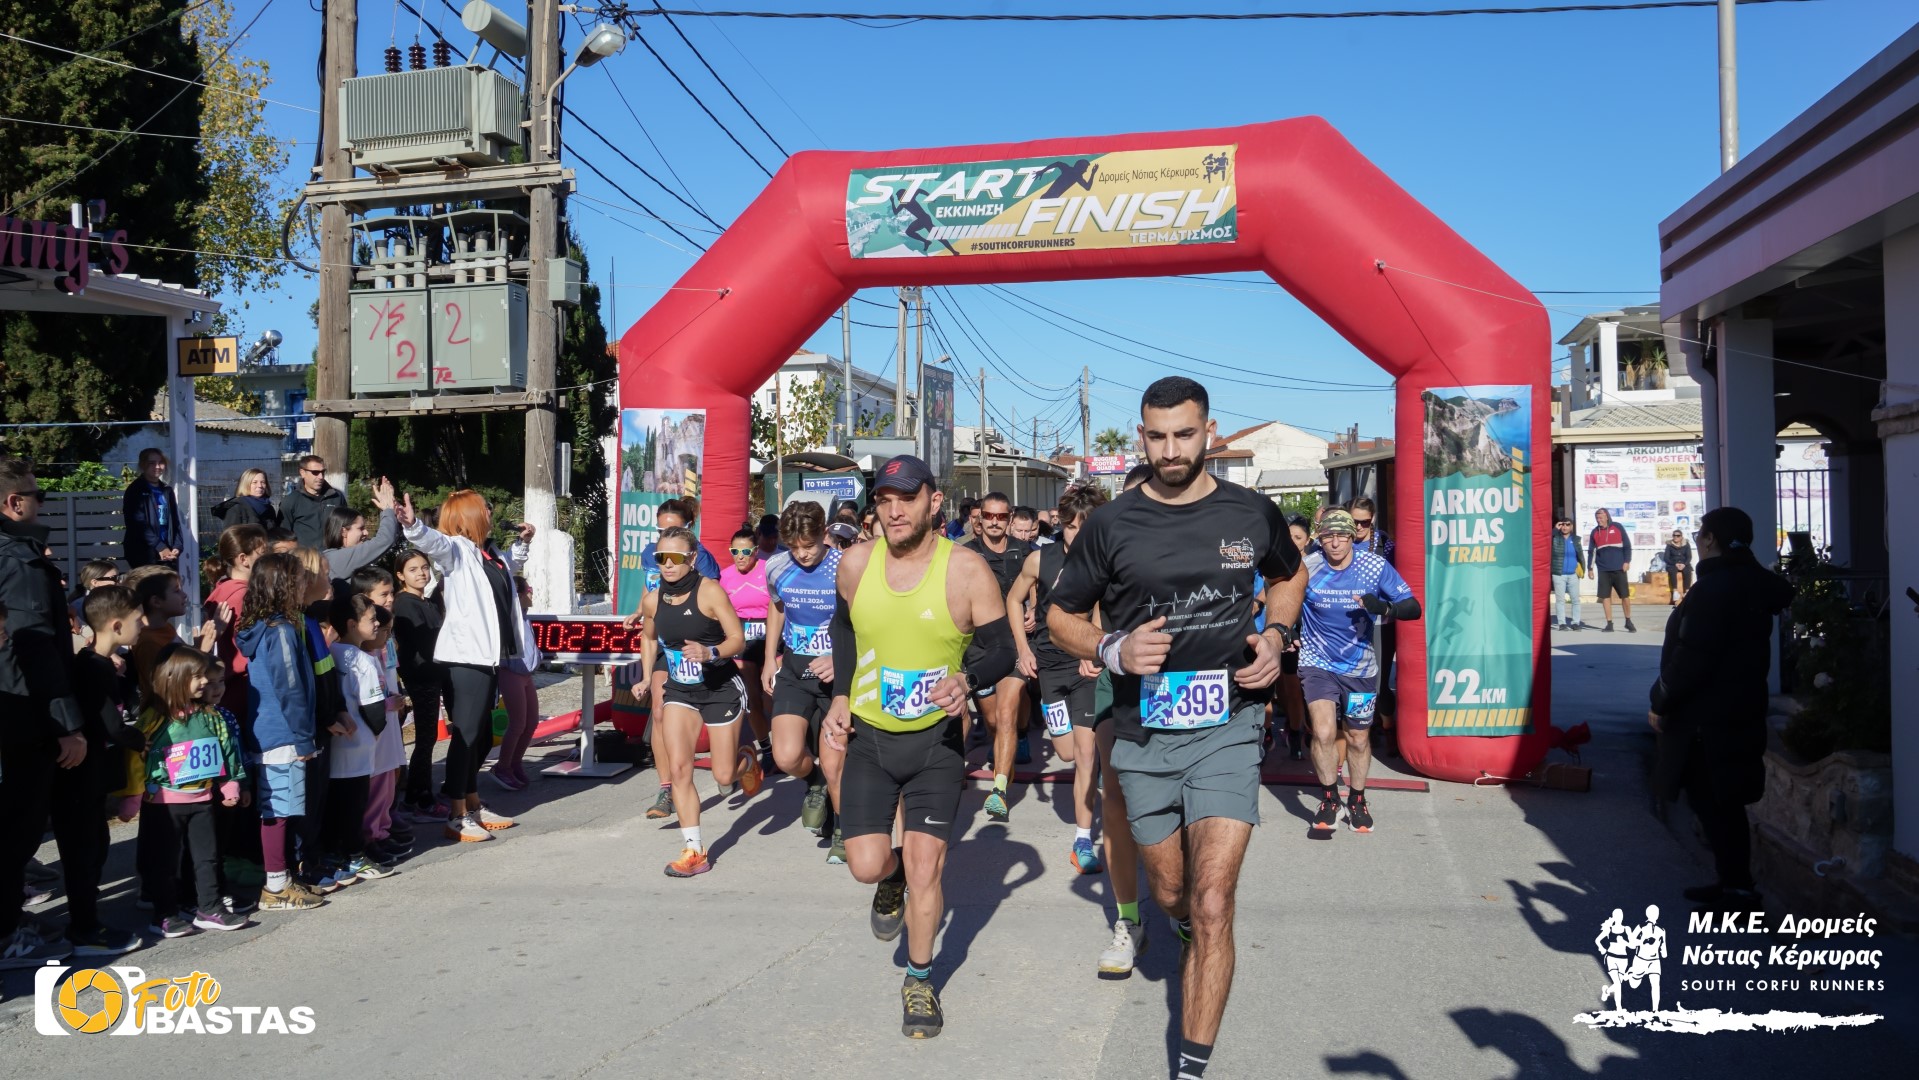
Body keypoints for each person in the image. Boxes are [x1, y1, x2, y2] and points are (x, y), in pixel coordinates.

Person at [1047, 377, 1305, 1079]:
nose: (1170, 451)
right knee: (1173, 894)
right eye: (1157, 437)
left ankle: (1190, 1067)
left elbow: (1289, 576)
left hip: (1228, 725)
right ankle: (1177, 920)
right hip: (1142, 733)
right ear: (1141, 436)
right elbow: (1060, 615)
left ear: (1209, 432)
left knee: (1214, 901)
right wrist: (1112, 648)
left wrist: (1276, 635)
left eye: (1184, 435)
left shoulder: (1250, 512)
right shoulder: (1111, 524)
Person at [821, 454, 1015, 1039]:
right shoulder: (856, 563)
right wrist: (841, 694)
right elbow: (844, 628)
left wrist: (966, 680)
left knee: (928, 869)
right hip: (870, 739)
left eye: (907, 498)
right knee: (866, 865)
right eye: (884, 500)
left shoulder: (966, 570)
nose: (895, 510)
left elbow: (1002, 650)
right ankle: (891, 876)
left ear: (934, 501)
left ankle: (920, 979)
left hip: (936, 743)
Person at [1648, 506, 1793, 913]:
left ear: (1711, 539)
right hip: (1735, 707)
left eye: (1700, 533)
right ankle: (1734, 883)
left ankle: (1739, 893)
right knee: (1718, 801)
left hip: (1709, 716)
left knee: (1717, 801)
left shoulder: (1717, 587)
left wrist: (1661, 697)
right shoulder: (1745, 580)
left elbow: (1694, 654)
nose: (1697, 539)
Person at [394, 491, 527, 843]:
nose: (490, 512)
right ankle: (456, 814)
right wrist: (412, 525)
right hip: (466, 658)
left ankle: (473, 804)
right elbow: (433, 542)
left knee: (479, 733)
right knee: (466, 735)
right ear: (468, 516)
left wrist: (523, 545)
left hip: (488, 656)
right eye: (484, 508)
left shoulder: (487, 553)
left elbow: (508, 573)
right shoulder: (457, 550)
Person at [637, 526, 763, 877]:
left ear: (692, 559)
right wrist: (646, 676)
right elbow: (648, 637)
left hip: (720, 688)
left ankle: (746, 761)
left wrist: (711, 652)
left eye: (675, 557)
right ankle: (695, 850)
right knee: (680, 768)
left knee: (723, 776)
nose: (667, 564)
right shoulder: (653, 600)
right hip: (680, 691)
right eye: (661, 558)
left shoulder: (709, 592)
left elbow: (737, 638)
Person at [1007, 484, 1110, 875]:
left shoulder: (1104, 561)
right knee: (1065, 753)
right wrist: (1023, 649)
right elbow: (1013, 599)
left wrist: (1094, 651)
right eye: (1070, 527)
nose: (1076, 535)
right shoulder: (1039, 559)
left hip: (1085, 667)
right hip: (1049, 666)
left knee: (1085, 754)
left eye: (1085, 528)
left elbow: (1103, 608)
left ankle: (1083, 841)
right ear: (1060, 524)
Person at [1297, 510, 1421, 834]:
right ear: (1320, 538)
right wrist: (1286, 631)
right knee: (1323, 731)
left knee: (1357, 737)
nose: (1335, 543)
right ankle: (1329, 799)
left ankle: (1357, 799)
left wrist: (1384, 607)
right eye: (1328, 536)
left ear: (1353, 537)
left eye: (1342, 536)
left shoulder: (1373, 566)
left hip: (1360, 667)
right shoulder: (1308, 566)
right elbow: (1284, 602)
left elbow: (1413, 607)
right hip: (1317, 661)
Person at [234, 552, 326, 912]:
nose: (305, 584)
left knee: (282, 807)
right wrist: (304, 737)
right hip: (283, 735)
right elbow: (290, 689)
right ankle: (275, 886)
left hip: (273, 731)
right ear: (284, 586)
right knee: (277, 810)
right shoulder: (281, 631)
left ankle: (283, 876)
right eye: (300, 579)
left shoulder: (265, 627)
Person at [138, 647, 251, 936]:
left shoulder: (211, 716)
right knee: (165, 860)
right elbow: (134, 755)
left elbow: (226, 750)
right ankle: (164, 914)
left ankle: (210, 908)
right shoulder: (155, 717)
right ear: (174, 678)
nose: (204, 682)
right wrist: (131, 796)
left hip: (203, 799)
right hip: (164, 802)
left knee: (207, 857)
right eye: (198, 677)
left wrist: (231, 783)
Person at [66, 585, 151, 955]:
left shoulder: (95, 663)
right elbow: (111, 726)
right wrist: (140, 739)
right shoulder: (93, 668)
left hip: (92, 776)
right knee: (86, 851)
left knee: (95, 846)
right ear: (117, 626)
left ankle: (87, 921)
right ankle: (84, 929)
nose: (143, 624)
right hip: (81, 776)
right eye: (138, 619)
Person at [761, 501, 846, 861]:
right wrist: (769, 657)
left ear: (824, 534)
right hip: (795, 668)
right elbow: (777, 607)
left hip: (836, 674)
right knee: (786, 756)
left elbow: (865, 621)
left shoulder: (845, 567)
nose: (802, 554)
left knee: (835, 763)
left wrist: (839, 658)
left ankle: (843, 828)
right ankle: (815, 783)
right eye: (794, 547)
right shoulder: (776, 566)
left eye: (809, 546)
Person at [632, 498, 720, 822]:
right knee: (658, 710)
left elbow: (713, 602)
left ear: (688, 528)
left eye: (673, 529)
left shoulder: (703, 558)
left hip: (696, 645)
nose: (665, 536)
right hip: (665, 643)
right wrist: (640, 611)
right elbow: (649, 592)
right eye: (660, 530)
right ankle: (667, 788)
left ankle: (732, 761)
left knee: (708, 724)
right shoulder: (649, 554)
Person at [963, 491, 1035, 822]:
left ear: (1009, 519)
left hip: (1016, 642)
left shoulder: (1024, 551)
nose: (994, 522)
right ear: (979, 519)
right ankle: (1018, 733)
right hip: (979, 648)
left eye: (1001, 517)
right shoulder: (966, 554)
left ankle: (999, 790)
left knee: (1006, 713)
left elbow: (1040, 585)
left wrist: (1035, 609)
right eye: (988, 516)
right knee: (993, 721)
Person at [326, 593, 395, 884]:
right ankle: (355, 855)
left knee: (336, 804)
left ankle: (337, 853)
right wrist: (377, 730)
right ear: (352, 624)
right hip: (358, 745)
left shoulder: (331, 651)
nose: (377, 623)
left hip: (335, 745)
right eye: (372, 619)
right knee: (355, 805)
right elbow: (374, 708)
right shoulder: (364, 661)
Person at [392, 549, 448, 820]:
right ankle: (418, 798)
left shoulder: (425, 600)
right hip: (420, 675)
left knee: (428, 737)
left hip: (432, 673)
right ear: (400, 575)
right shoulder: (405, 603)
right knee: (426, 738)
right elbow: (427, 639)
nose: (422, 573)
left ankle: (419, 794)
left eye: (425, 567)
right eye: (413, 569)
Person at [721, 528, 773, 766]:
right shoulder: (725, 576)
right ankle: (767, 750)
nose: (740, 557)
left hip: (771, 635)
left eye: (745, 551)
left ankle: (786, 743)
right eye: (735, 552)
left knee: (773, 694)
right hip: (742, 637)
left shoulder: (769, 569)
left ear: (756, 551)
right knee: (752, 699)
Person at [493, 576, 542, 790]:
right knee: (518, 723)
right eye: (529, 590)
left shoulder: (524, 616)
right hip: (511, 673)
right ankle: (502, 767)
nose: (532, 594)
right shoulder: (509, 617)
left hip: (526, 675)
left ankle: (515, 762)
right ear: (519, 594)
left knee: (532, 722)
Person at [1279, 514, 1316, 760]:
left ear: (1307, 540)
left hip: (1314, 636)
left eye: (1298, 537)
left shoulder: (1317, 565)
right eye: (1289, 536)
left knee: (1311, 689)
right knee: (1292, 689)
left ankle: (1313, 731)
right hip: (1288, 634)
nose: (1293, 541)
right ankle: (1295, 732)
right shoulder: (1278, 564)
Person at [321, 477, 399, 587]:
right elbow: (384, 540)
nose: (366, 532)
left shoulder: (334, 556)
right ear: (344, 532)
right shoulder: (337, 558)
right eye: (360, 528)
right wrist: (387, 510)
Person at [120, 447, 185, 569]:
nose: (157, 467)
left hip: (166, 552)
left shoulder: (167, 490)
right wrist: (159, 546)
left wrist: (177, 545)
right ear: (143, 465)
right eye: (152, 463)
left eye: (161, 463)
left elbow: (174, 521)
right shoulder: (135, 490)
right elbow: (137, 524)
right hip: (143, 553)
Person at [283, 455, 349, 551]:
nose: (321, 477)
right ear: (302, 473)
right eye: (315, 472)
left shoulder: (337, 497)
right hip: (305, 558)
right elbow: (284, 536)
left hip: (334, 556)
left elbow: (346, 526)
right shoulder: (291, 501)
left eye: (323, 472)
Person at [1589, 508, 1636, 633]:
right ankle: (1609, 623)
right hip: (1603, 570)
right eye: (1597, 518)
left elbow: (1627, 546)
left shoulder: (1617, 527)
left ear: (1607, 517)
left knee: (1625, 596)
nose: (1598, 520)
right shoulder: (1594, 532)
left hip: (1619, 568)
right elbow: (1591, 552)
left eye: (1601, 517)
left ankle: (1628, 621)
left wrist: (1627, 561)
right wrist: (1590, 568)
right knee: (1605, 597)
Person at [212, 468, 283, 533]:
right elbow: (231, 538)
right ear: (245, 484)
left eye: (263, 482)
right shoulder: (236, 508)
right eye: (254, 482)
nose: (260, 486)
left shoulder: (269, 508)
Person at [1550, 512, 1586, 631]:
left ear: (1572, 526)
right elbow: (1545, 539)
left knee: (1575, 600)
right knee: (1560, 600)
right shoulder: (1555, 538)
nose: (1565, 527)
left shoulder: (1576, 539)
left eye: (1567, 524)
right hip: (1558, 574)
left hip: (1573, 574)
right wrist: (1555, 529)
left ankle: (1575, 622)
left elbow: (1580, 555)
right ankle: (1562, 623)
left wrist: (1583, 569)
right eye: (1563, 524)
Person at [1349, 497, 1395, 565]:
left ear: (1373, 518)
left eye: (1364, 522)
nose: (1358, 527)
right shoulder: (1341, 542)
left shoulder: (1385, 545)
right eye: (1354, 521)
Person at [1662, 529, 1694, 606]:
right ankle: (1675, 592)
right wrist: (1675, 564)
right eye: (1674, 535)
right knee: (1673, 571)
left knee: (1687, 571)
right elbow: (1666, 558)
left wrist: (1684, 564)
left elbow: (1689, 557)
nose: (1675, 537)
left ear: (1681, 537)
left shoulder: (1686, 544)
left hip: (1684, 563)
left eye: (1678, 536)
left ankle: (1686, 591)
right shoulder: (1669, 545)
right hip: (1673, 563)